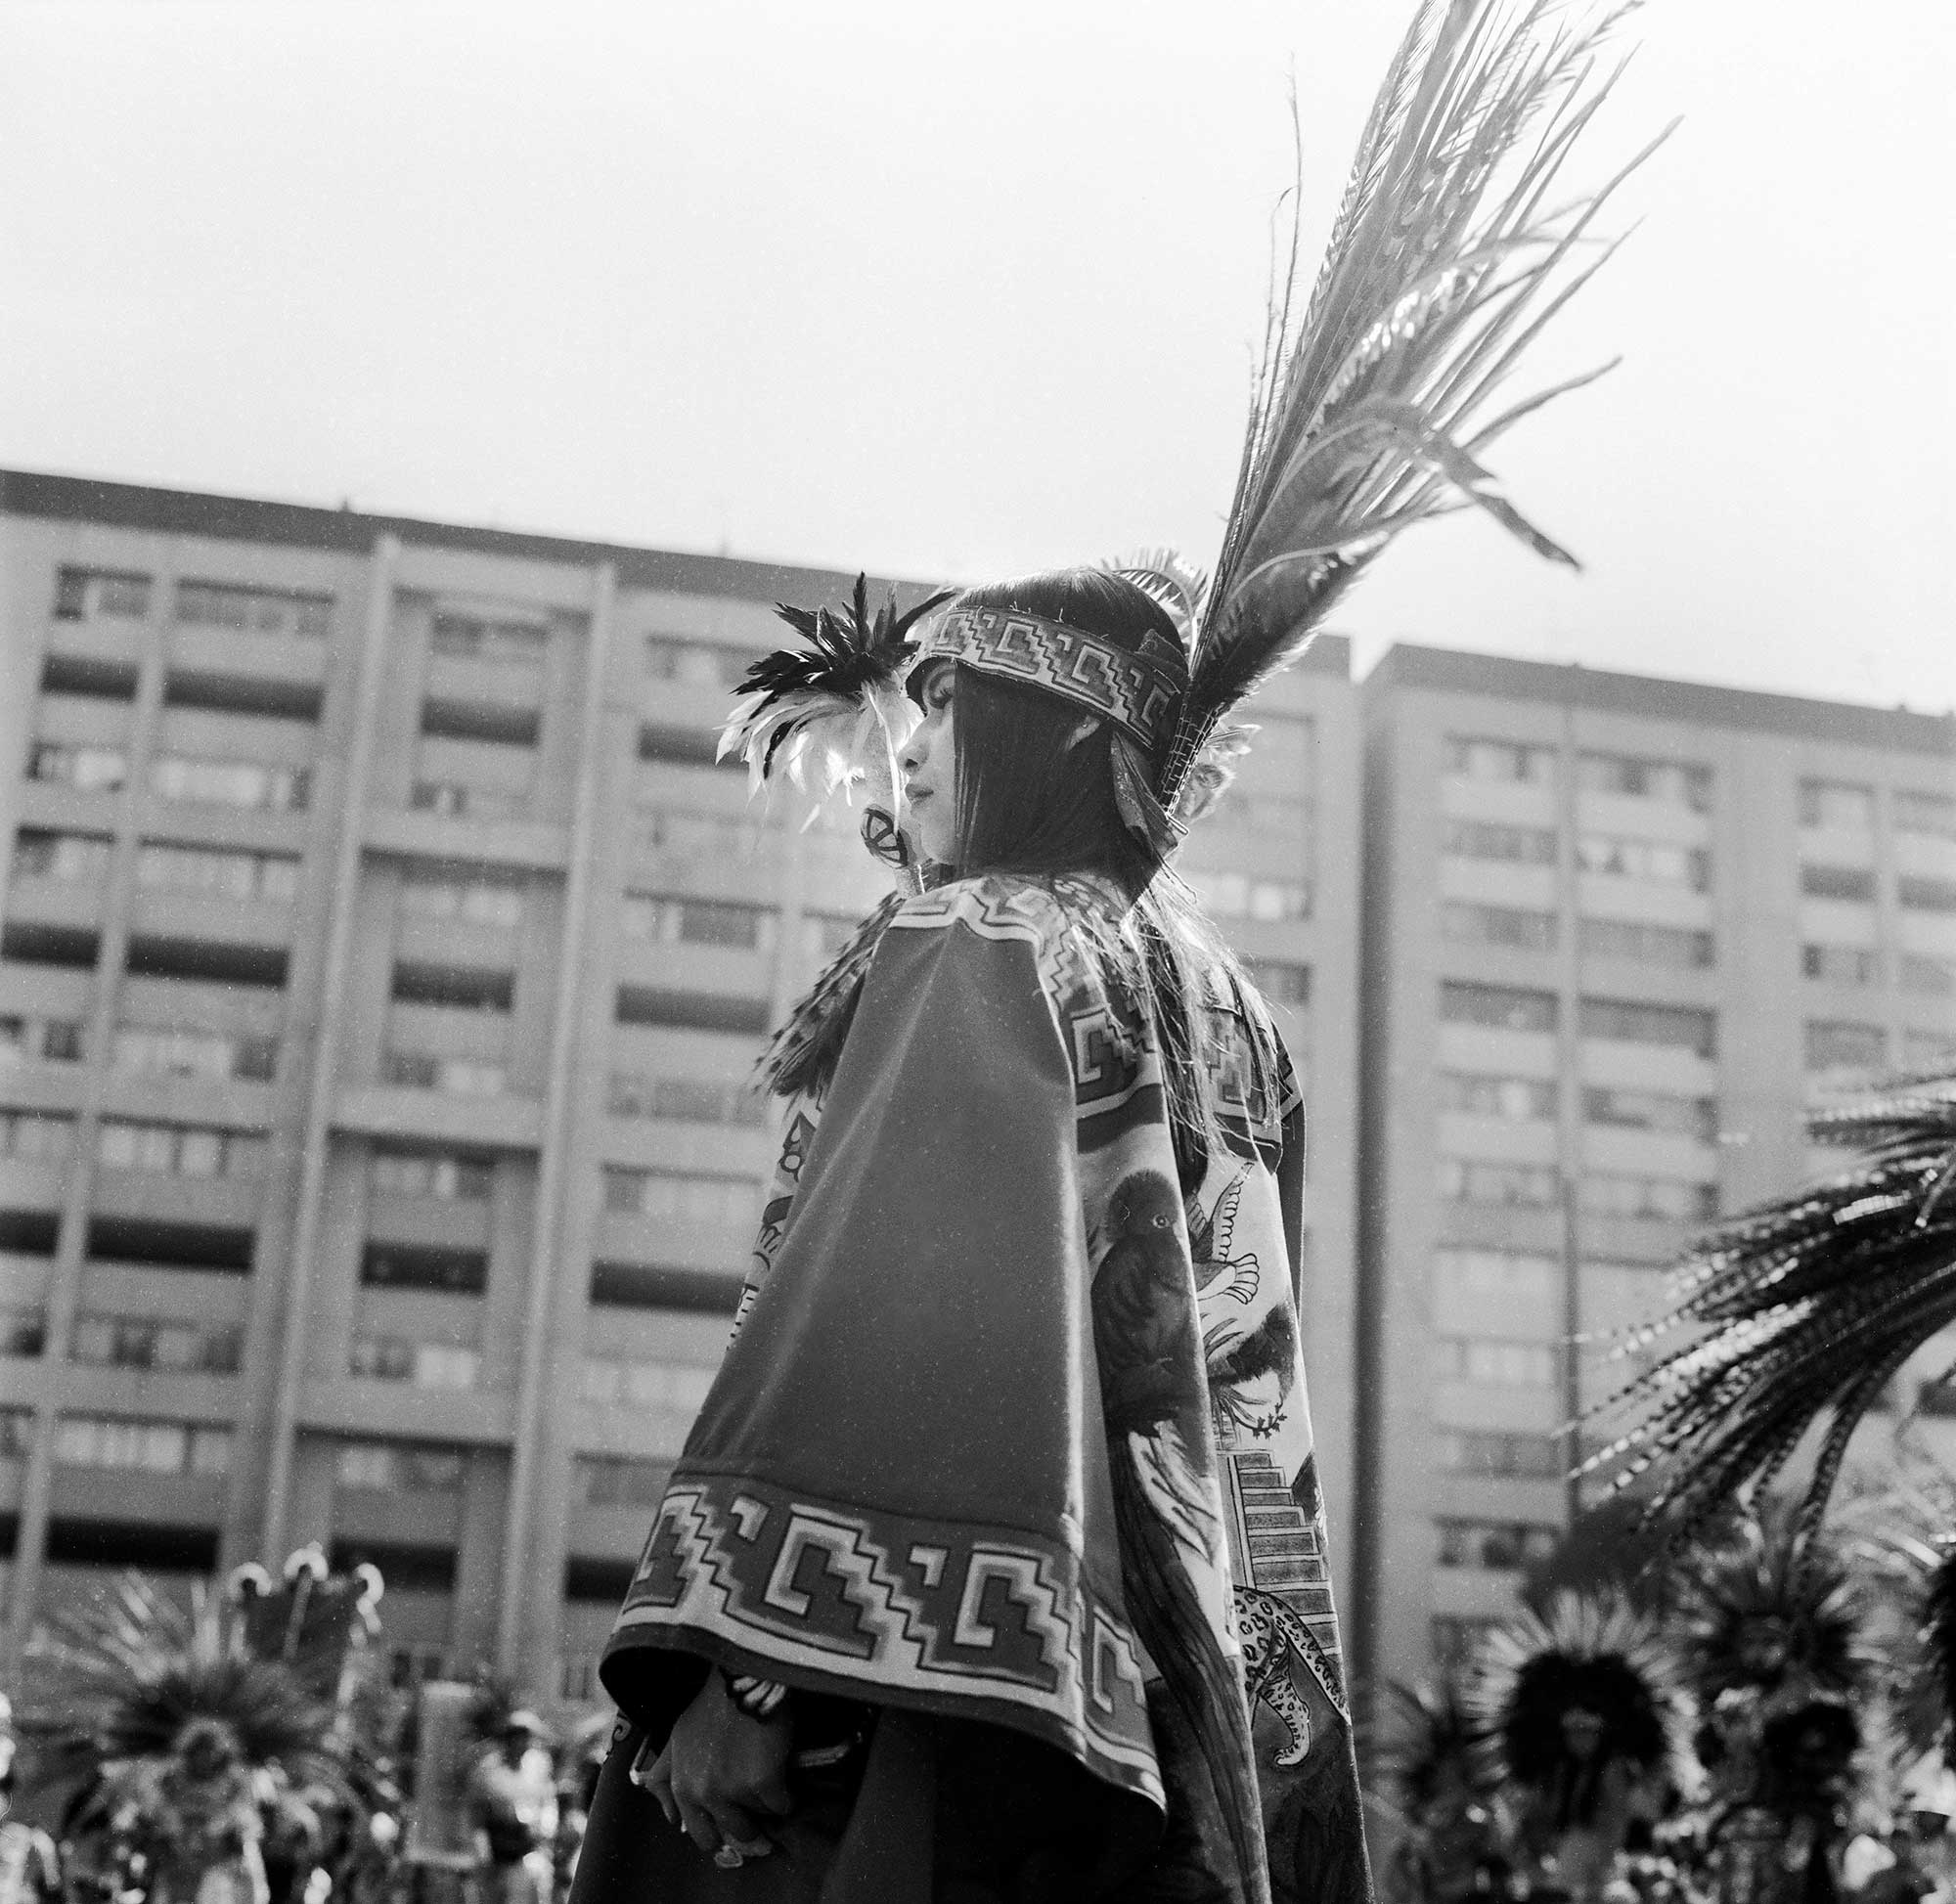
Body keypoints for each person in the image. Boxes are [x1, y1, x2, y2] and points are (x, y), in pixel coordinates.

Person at [571, 569, 1371, 1904]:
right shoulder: (1231, 1009)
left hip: (908, 1717)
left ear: (1050, 740)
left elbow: (896, 1313)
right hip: (1171, 1732)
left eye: (951, 709)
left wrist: (752, 1670)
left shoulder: (986, 931)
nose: (912, 747)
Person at [467, 1716, 558, 1904]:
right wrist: (481, 1846)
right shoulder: (489, 1769)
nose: (521, 1743)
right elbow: (477, 1811)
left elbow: (548, 1800)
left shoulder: (538, 1764)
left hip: (527, 1848)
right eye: (516, 1737)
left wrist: (546, 1829)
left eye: (525, 1737)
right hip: (497, 1848)